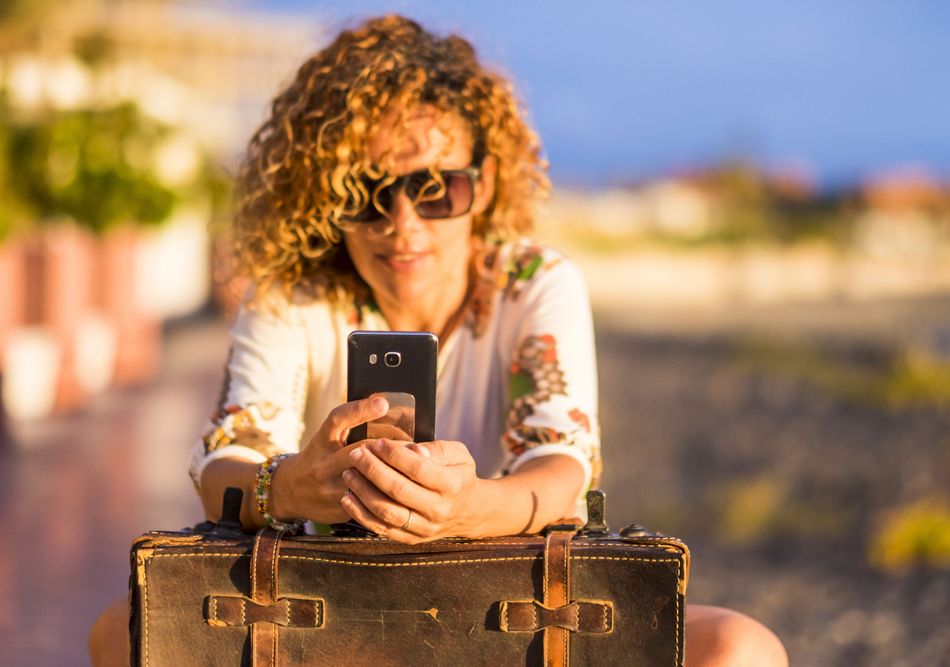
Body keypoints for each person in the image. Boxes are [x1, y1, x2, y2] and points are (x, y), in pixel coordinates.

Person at [91, 15, 787, 666]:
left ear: (480, 186)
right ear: (325, 193)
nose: (403, 225)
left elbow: (563, 467)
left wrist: (469, 508)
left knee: (742, 649)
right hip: (318, 609)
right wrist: (294, 485)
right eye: (368, 190)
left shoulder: (532, 282)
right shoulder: (290, 294)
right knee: (113, 634)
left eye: (435, 189)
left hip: (505, 609)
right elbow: (224, 467)